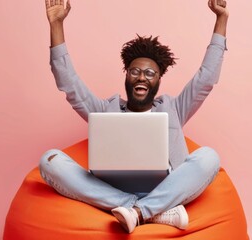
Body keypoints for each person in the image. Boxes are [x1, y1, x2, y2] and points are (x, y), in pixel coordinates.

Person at [40, 0, 229, 234]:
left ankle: (138, 211)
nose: (142, 77)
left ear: (159, 80)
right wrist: (56, 25)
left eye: (150, 73)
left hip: (169, 187)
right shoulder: (105, 111)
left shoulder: (174, 108)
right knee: (49, 160)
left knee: (209, 157)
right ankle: (148, 211)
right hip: (115, 190)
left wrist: (221, 19)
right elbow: (70, 84)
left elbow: (206, 79)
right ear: (126, 76)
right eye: (135, 71)